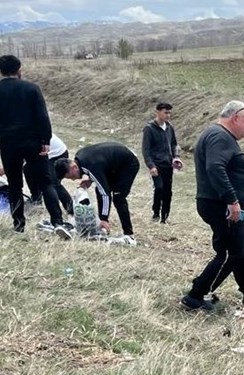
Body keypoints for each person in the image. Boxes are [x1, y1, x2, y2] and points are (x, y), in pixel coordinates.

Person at [181, 100, 244, 312]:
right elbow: (215, 167)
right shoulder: (219, 136)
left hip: (225, 205)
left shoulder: (218, 135)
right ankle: (195, 295)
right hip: (221, 206)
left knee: (242, 248)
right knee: (229, 253)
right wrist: (232, 201)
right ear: (235, 118)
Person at [0, 54, 66, 232]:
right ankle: (57, 221)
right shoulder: (32, 88)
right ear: (19, 70)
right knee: (45, 182)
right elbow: (42, 117)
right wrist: (45, 140)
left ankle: (19, 225)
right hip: (33, 142)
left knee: (14, 185)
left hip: (8, 144)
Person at [55, 142, 140, 239]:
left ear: (74, 167)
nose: (73, 179)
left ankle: (128, 234)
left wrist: (104, 218)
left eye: (71, 176)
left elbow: (105, 193)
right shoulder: (80, 158)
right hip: (114, 164)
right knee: (99, 189)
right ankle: (102, 226)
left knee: (118, 197)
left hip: (128, 164)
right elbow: (100, 165)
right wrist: (91, 179)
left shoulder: (91, 165)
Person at [141, 101, 183, 224]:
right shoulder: (149, 129)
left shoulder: (170, 127)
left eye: (169, 113)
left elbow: (174, 143)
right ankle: (155, 213)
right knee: (159, 188)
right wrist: (151, 166)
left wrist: (176, 157)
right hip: (156, 164)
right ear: (157, 112)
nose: (168, 115)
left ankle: (165, 217)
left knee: (168, 191)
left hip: (168, 164)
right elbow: (145, 149)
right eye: (165, 112)